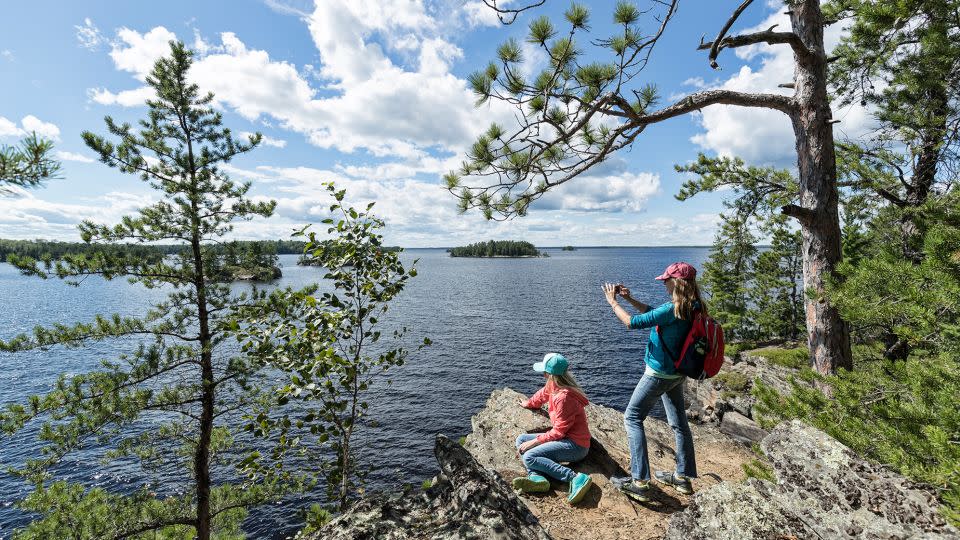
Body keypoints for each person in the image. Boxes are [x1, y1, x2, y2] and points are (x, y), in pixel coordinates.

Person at [602, 262, 705, 502]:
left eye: (666, 280)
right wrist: (631, 299)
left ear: (676, 282)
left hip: (658, 375)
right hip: (678, 374)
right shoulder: (695, 306)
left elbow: (632, 323)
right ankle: (682, 478)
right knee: (679, 423)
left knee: (632, 417)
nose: (664, 283)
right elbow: (653, 314)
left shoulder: (673, 308)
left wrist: (613, 302)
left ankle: (639, 481)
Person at [513, 353, 594, 505]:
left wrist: (535, 442)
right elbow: (541, 395)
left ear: (549, 374)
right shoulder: (554, 386)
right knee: (521, 439)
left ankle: (575, 478)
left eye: (544, 372)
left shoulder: (564, 398)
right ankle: (538, 477)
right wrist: (529, 403)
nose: (543, 375)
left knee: (529, 456)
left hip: (576, 446)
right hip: (565, 439)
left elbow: (559, 432)